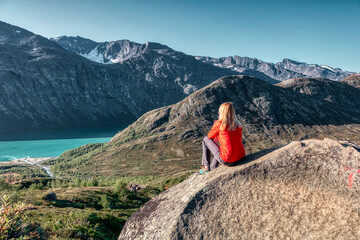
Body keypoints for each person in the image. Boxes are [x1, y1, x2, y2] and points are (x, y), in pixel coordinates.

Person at [199, 102, 245, 174]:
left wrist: (217, 133)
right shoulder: (238, 124)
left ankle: (206, 167)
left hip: (228, 160)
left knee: (205, 140)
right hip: (241, 156)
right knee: (223, 148)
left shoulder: (219, 124)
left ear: (222, 112)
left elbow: (210, 136)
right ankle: (212, 167)